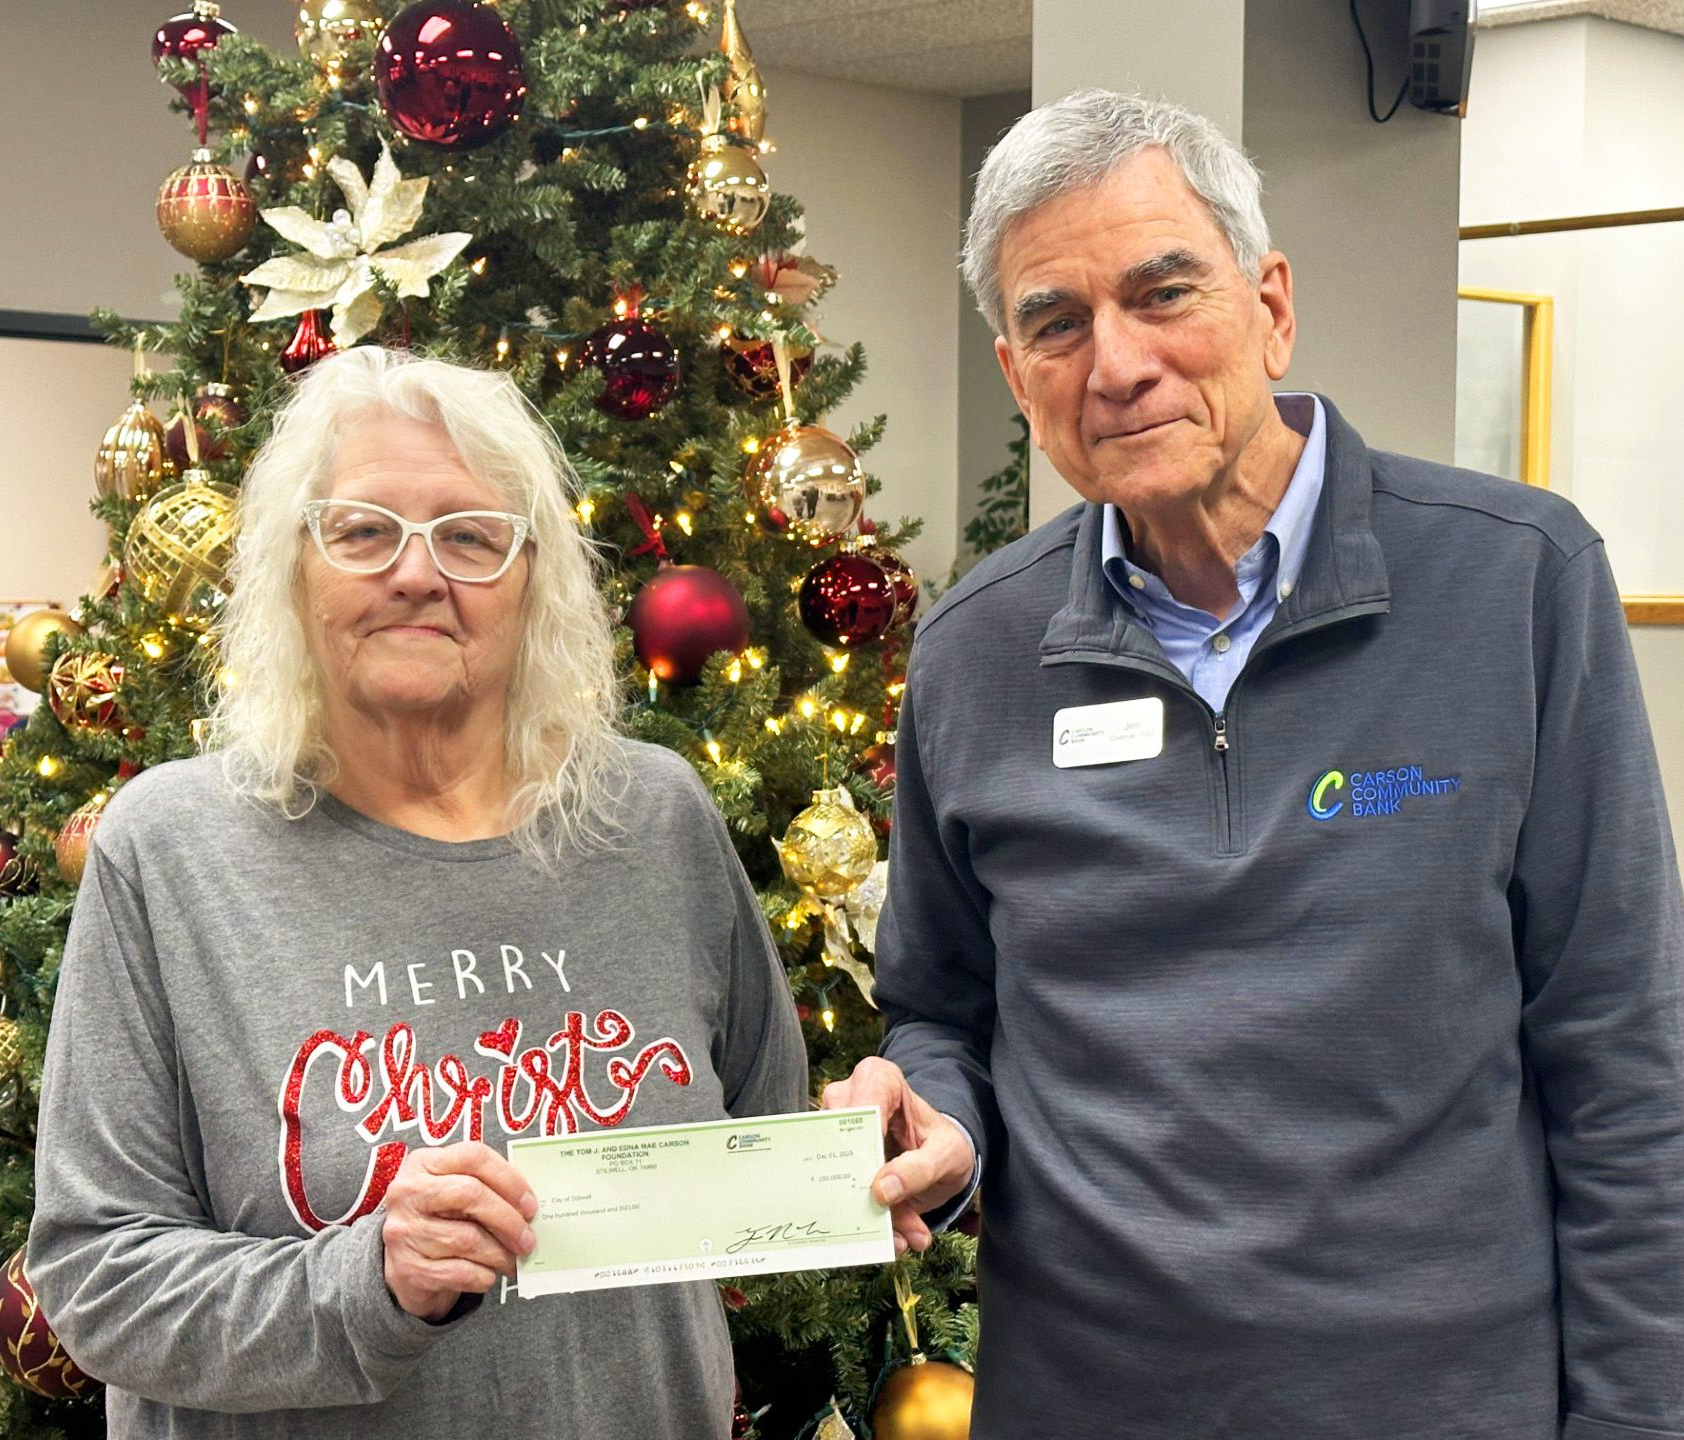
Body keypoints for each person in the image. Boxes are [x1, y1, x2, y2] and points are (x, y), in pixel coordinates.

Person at [823, 89, 1684, 1438]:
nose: (1117, 364)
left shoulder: (1516, 579)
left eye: (1163, 293)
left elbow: (1624, 1053)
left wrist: (1635, 1418)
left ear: (1270, 306)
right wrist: (939, 1122)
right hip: (1085, 1401)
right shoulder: (977, 646)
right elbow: (941, 1007)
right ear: (1017, 375)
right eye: (1057, 323)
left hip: (1440, 1404)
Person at [28, 347, 807, 1438]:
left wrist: (878, 1140)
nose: (416, 574)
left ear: (535, 582)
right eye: (362, 531)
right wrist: (373, 1283)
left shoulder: (655, 817)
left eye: (471, 537)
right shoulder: (171, 850)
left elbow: (769, 1158)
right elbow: (99, 1279)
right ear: (293, 569)